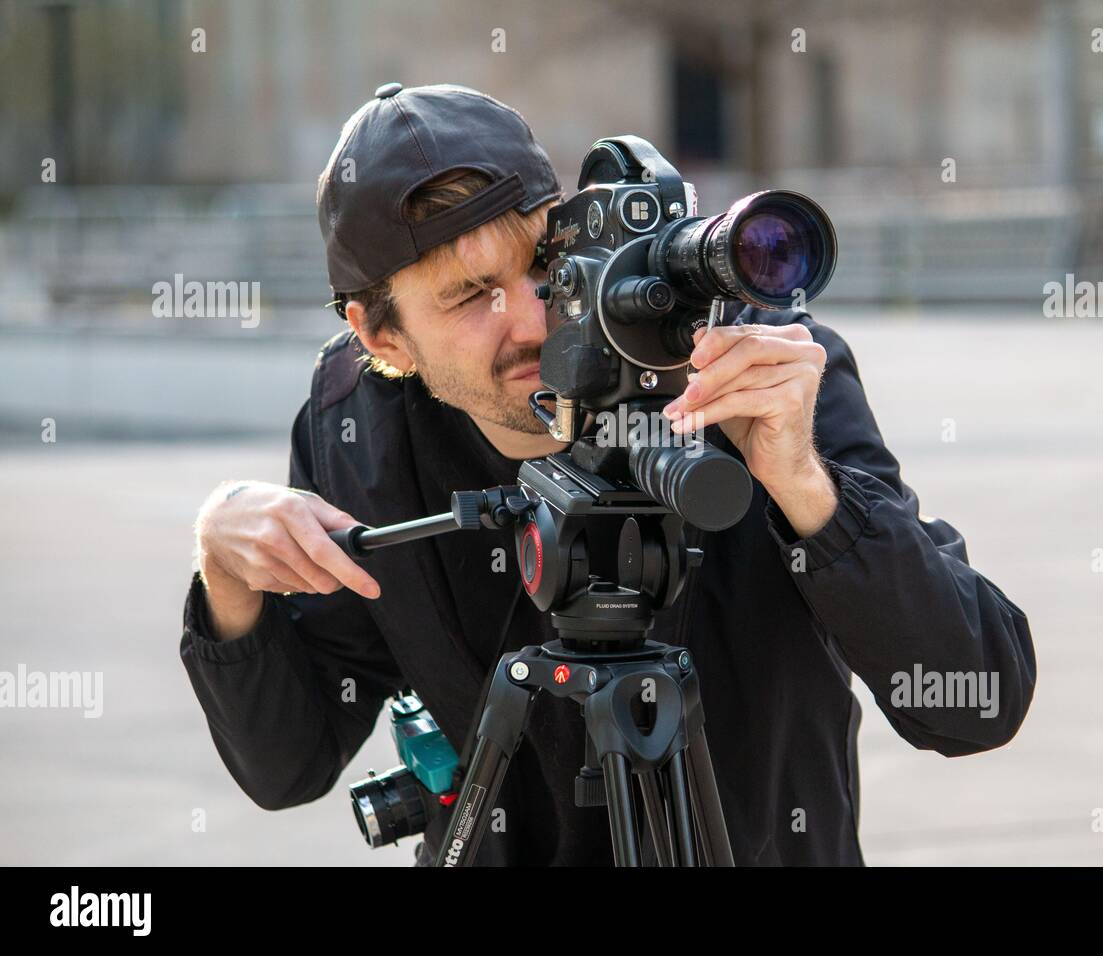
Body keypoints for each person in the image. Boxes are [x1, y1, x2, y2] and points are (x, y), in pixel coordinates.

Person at [181, 83, 1036, 866]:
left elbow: (978, 699)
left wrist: (803, 483)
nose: (528, 319)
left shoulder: (747, 362)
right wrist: (225, 570)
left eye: (544, 266)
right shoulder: (356, 428)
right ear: (383, 339)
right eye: (468, 294)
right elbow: (287, 766)